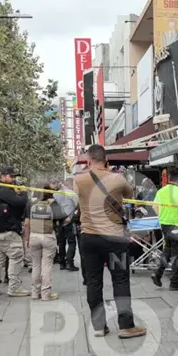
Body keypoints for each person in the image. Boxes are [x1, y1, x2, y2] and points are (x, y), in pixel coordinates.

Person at [75, 145, 146, 339]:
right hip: (114, 238)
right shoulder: (117, 178)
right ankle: (126, 326)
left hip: (89, 237)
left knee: (93, 281)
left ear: (89, 160)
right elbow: (129, 194)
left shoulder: (79, 179)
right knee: (120, 279)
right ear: (106, 160)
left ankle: (99, 326)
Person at [151, 168, 178, 291]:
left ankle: (157, 274)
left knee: (167, 250)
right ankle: (175, 283)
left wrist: (163, 216)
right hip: (177, 225)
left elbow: (154, 206)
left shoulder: (161, 191)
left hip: (165, 224)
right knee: (177, 254)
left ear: (169, 177)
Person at [0, 167, 30, 297]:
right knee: (16, 257)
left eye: (14, 177)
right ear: (3, 177)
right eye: (11, 177)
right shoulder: (3, 190)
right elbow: (20, 202)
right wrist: (23, 194)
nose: (13, 180)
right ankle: (14, 288)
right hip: (8, 230)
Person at [24, 184, 61, 300]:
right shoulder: (53, 203)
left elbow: (26, 223)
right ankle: (46, 294)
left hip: (34, 236)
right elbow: (64, 218)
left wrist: (27, 239)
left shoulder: (31, 203)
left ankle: (35, 293)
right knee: (47, 265)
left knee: (36, 265)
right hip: (48, 236)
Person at [54, 177, 79, 271]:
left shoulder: (55, 194)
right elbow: (77, 206)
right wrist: (71, 217)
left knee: (61, 242)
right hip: (69, 220)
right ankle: (70, 262)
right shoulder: (72, 193)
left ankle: (62, 263)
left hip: (59, 221)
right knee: (72, 242)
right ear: (70, 184)